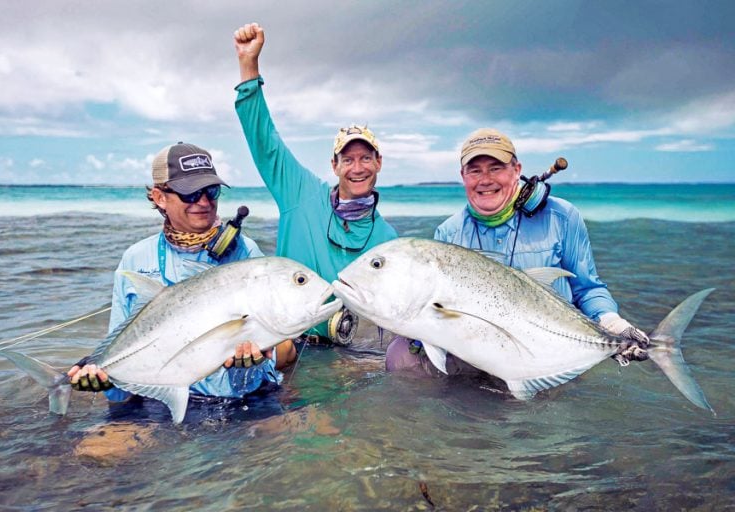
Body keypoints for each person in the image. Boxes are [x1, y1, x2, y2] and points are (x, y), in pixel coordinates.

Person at [386, 128, 649, 374]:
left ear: (516, 170)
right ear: (463, 177)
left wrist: (610, 322)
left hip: (548, 345)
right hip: (479, 347)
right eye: (475, 171)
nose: (485, 180)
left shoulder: (562, 217)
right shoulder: (448, 233)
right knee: (402, 355)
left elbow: (587, 288)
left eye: (496, 168)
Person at [67, 141, 296, 403]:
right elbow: (120, 393)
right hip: (164, 403)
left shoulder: (245, 253)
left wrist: (262, 355)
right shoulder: (135, 259)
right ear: (160, 197)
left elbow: (276, 347)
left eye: (211, 191)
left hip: (237, 401)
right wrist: (104, 378)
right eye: (190, 193)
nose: (203, 202)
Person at [233, 22, 398, 345]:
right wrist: (248, 65)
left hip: (350, 356)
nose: (358, 168)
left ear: (379, 163)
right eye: (348, 159)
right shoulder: (302, 194)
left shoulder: (387, 238)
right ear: (334, 165)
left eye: (366, 158)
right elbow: (266, 143)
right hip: (287, 346)